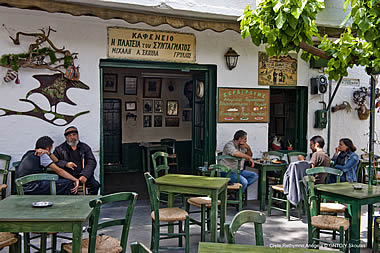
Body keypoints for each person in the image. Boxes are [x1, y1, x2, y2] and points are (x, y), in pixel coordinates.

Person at [53, 126, 100, 195]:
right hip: (68, 177)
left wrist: (85, 175)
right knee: (68, 189)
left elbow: (91, 162)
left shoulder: (85, 147)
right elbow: (55, 162)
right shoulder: (59, 149)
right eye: (69, 135)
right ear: (66, 137)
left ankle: (89, 203)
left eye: (74, 135)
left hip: (83, 175)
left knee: (95, 185)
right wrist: (66, 164)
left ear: (77, 135)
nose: (72, 137)